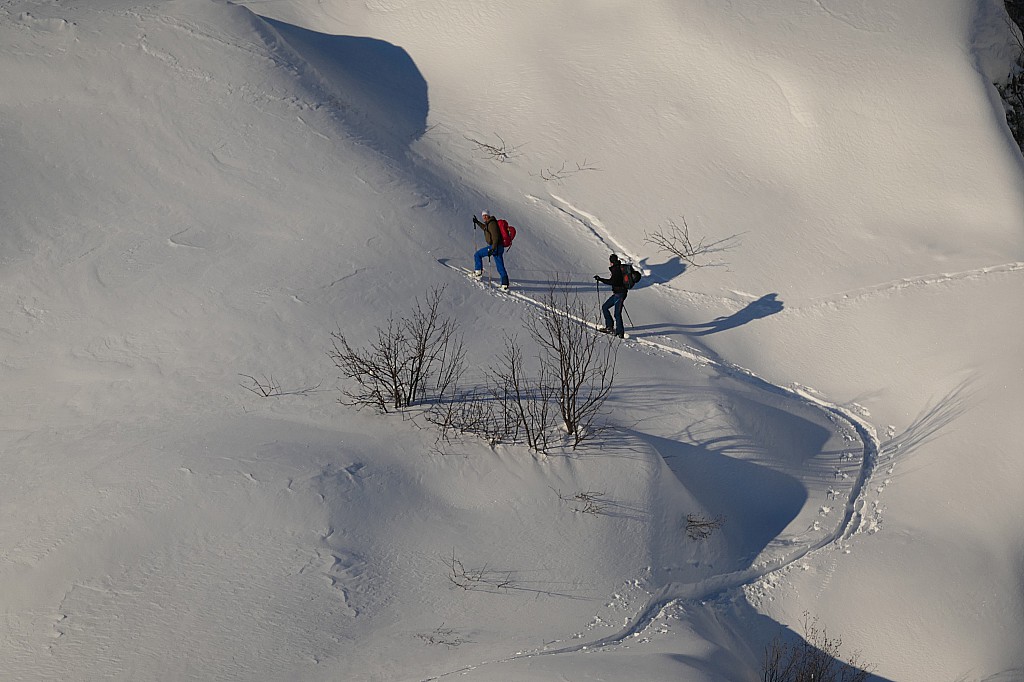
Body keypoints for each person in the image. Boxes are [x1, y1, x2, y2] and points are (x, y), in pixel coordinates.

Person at [472, 210, 510, 290]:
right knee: (500, 266)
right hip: (499, 247)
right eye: (483, 215)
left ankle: (478, 272)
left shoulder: (492, 224)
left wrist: (493, 249)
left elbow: (495, 237)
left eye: (486, 215)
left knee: (477, 254)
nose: (484, 217)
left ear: (489, 215)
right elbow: (485, 228)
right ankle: (505, 284)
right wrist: (477, 222)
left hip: (495, 247)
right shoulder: (490, 223)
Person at [594, 253, 627, 338]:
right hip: (618, 294)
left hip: (620, 294)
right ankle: (609, 327)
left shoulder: (616, 270)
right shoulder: (617, 268)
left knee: (617, 314)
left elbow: (612, 282)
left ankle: (620, 332)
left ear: (611, 262)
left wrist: (600, 279)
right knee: (605, 307)